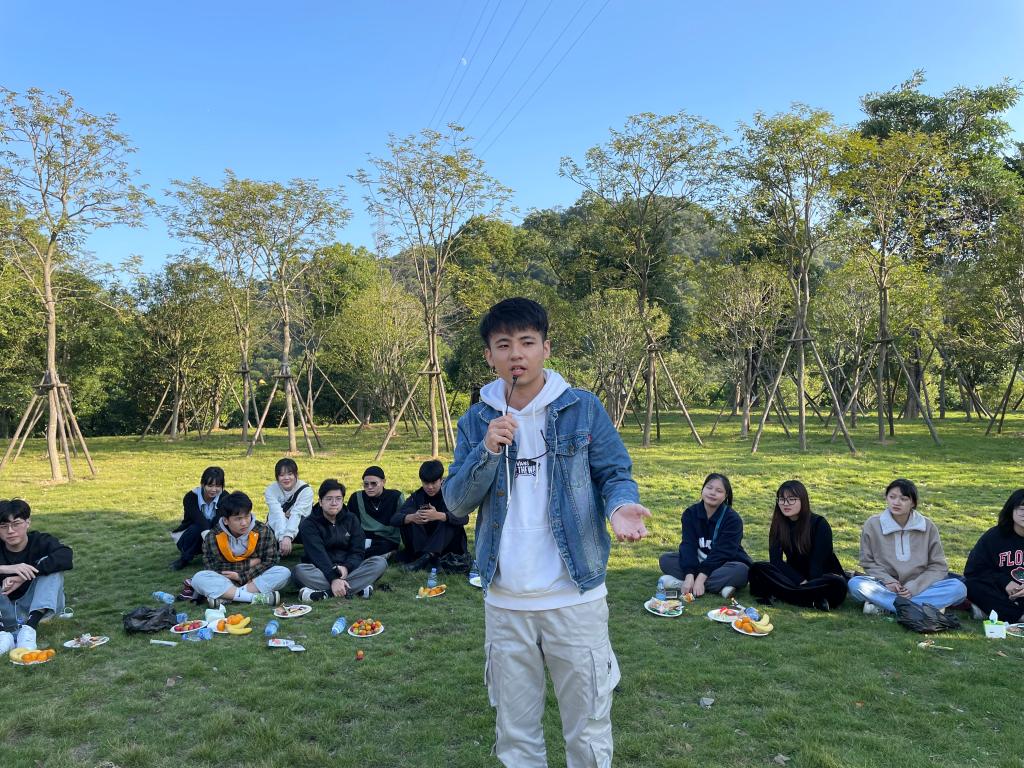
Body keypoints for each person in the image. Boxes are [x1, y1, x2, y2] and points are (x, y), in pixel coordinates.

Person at [444, 297, 650, 768]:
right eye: (503, 345)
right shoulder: (476, 420)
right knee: (515, 734)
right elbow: (456, 503)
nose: (516, 353)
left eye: (527, 342)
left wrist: (620, 507)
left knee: (588, 729)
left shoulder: (583, 408)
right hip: (506, 603)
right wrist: (486, 451)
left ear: (545, 348)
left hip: (574, 597)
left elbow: (614, 473)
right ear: (489, 356)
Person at [848, 478, 967, 614]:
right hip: (886, 586)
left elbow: (938, 566)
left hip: (921, 587)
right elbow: (867, 562)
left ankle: (888, 607)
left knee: (959, 588)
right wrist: (888, 581)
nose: (896, 502)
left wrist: (914, 587)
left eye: (903, 499)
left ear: (913, 503)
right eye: (892, 497)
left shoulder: (927, 526)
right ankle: (921, 607)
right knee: (856, 584)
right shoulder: (873, 524)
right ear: (886, 498)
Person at [747, 480, 847, 610]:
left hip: (820, 578)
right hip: (794, 577)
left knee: (837, 584)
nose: (785, 504)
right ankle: (811, 600)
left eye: (791, 499)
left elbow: (817, 563)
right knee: (757, 568)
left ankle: (785, 595)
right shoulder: (778, 525)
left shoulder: (819, 524)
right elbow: (776, 561)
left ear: (803, 500)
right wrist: (800, 581)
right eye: (782, 499)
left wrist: (807, 584)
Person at [659, 473, 751, 600]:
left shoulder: (732, 519)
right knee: (665, 560)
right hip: (698, 560)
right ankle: (719, 587)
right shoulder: (690, 513)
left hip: (724, 563)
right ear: (703, 489)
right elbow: (688, 545)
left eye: (719, 491)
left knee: (742, 571)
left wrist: (701, 578)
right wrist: (689, 575)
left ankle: (682, 584)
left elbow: (724, 552)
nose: (712, 493)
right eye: (709, 488)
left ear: (725, 496)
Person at [293, 479, 388, 601]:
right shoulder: (309, 524)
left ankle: (326, 593)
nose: (334, 503)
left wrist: (347, 567)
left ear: (343, 501)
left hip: (348, 569)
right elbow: (318, 555)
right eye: (329, 499)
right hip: (321, 570)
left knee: (380, 562)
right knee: (299, 571)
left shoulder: (351, 519)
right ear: (320, 502)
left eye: (338, 499)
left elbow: (357, 551)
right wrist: (333, 577)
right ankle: (356, 589)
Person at [192, 491, 289, 607]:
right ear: (226, 520)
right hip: (226, 580)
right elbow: (212, 566)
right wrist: (250, 563)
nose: (244, 523)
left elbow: (271, 560)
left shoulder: (262, 530)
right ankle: (255, 598)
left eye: (247, 516)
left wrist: (241, 576)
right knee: (199, 578)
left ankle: (227, 597)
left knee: (283, 572)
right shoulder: (213, 536)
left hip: (253, 577)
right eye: (238, 519)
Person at [0, 499, 73, 653]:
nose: (10, 531)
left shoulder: (40, 541)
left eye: (16, 524)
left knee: (52, 567)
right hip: (5, 608)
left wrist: (25, 575)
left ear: (28, 522)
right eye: (3, 526)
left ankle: (29, 630)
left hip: (37, 609)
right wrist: (8, 569)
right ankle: (3, 635)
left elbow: (66, 556)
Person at [396, 460, 468, 572]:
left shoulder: (450, 494)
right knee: (409, 514)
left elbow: (465, 518)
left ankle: (427, 557)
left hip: (447, 545)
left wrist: (439, 516)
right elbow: (394, 518)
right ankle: (425, 557)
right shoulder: (417, 496)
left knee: (449, 521)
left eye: (434, 483)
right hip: (422, 544)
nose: (430, 487)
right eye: (426, 483)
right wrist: (412, 517)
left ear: (441, 480)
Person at [964, 488, 1024, 622]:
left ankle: (991, 612)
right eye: (1022, 509)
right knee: (972, 586)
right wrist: (1005, 582)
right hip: (1002, 591)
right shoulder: (994, 537)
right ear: (1011, 510)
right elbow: (974, 571)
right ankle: (1019, 616)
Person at [169, 466, 226, 571]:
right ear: (202, 484)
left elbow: (218, 522)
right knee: (198, 527)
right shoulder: (191, 497)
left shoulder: (225, 497)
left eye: (218, 486)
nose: (214, 490)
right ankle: (185, 559)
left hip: (214, 535)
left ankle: (218, 558)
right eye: (210, 485)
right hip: (190, 537)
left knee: (222, 525)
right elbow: (199, 519)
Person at [346, 465, 404, 558]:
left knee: (381, 547)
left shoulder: (395, 497)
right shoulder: (356, 497)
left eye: (374, 483)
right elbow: (348, 522)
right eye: (366, 484)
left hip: (386, 539)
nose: (369, 487)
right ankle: (384, 555)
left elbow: (403, 518)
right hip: (363, 538)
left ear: (383, 482)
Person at [264, 458, 313, 556]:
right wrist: (282, 538)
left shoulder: (306, 490)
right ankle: (279, 546)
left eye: (290, 474)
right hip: (277, 524)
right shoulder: (270, 490)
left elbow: (297, 514)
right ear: (277, 477)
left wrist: (288, 536)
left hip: (301, 525)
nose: (286, 478)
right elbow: (277, 514)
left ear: (296, 475)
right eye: (282, 475)